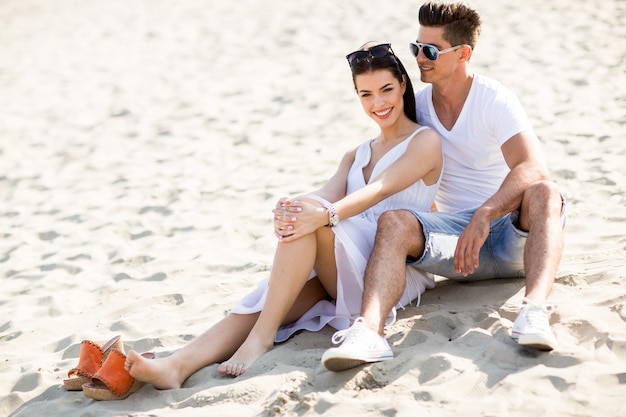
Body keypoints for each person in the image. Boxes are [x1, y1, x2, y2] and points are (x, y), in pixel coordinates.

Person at [124, 42, 443, 387]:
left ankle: (260, 340)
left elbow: (378, 190)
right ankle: (177, 365)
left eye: (386, 90)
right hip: (341, 261)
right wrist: (292, 206)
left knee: (310, 223)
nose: (378, 103)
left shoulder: (424, 142)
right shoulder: (357, 152)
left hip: (388, 268)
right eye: (366, 95)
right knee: (266, 298)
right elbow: (325, 194)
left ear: (403, 86)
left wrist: (324, 215)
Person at [315, 1, 566, 372]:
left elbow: (532, 166)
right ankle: (369, 331)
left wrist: (486, 213)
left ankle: (534, 311)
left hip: (511, 237)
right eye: (416, 48)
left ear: (463, 53)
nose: (419, 58)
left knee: (546, 191)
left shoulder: (493, 98)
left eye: (430, 50)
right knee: (395, 221)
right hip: (455, 247)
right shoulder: (421, 108)